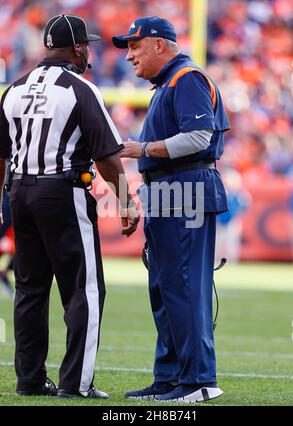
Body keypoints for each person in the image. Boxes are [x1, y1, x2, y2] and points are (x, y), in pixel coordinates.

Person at [0, 14, 139, 399]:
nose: (89, 52)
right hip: (61, 193)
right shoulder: (80, 88)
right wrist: (126, 202)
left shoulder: (14, 88)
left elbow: (1, 154)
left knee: (29, 290)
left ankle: (29, 380)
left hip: (20, 195)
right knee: (84, 289)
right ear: (77, 47)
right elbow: (107, 157)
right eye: (87, 45)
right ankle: (75, 382)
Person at [112, 16, 230, 403]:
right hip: (168, 189)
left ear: (159, 45)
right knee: (164, 288)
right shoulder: (168, 83)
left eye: (134, 45)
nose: (129, 56)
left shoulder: (187, 78)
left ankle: (198, 380)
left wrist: (142, 149)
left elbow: (199, 136)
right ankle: (170, 377)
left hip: (186, 186)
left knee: (183, 285)